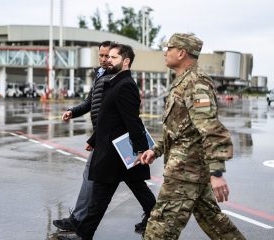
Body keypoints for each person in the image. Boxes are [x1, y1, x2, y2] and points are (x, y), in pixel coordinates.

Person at [138, 33, 246, 239]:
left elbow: (211, 129)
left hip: (186, 172)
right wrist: (156, 149)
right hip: (188, 169)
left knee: (159, 229)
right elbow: (181, 129)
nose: (165, 53)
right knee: (215, 223)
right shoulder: (182, 82)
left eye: (169, 48)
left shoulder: (196, 84)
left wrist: (216, 174)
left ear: (181, 52)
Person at [58, 44, 156, 240]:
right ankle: (154, 216)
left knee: (101, 195)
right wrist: (94, 138)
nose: (108, 60)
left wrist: (141, 150)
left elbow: (132, 121)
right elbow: (108, 117)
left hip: (117, 151)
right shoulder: (113, 81)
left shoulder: (125, 85)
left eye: (113, 57)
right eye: (107, 57)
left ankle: (83, 235)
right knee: (129, 188)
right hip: (114, 148)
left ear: (126, 61)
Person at [53, 40, 114, 231]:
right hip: (104, 136)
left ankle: (80, 222)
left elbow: (110, 113)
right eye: (101, 55)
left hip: (108, 137)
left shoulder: (115, 77)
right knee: (135, 182)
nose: (104, 59)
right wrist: (73, 111)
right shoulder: (100, 74)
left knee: (91, 176)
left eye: (108, 56)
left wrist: (95, 138)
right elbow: (90, 102)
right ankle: (80, 222)